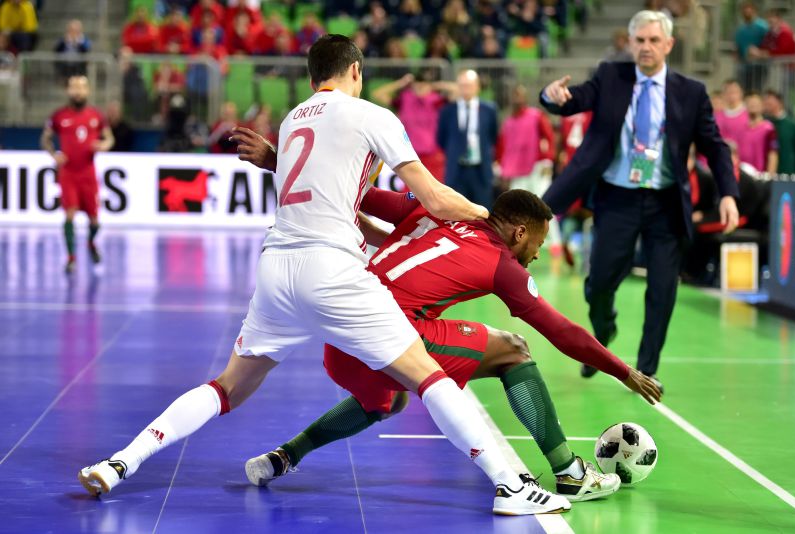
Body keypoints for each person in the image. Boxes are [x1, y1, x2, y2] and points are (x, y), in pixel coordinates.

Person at [78, 34, 559, 517]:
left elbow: (338, 202)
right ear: (356, 70)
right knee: (427, 375)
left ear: (312, 79)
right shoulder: (371, 115)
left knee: (227, 387)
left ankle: (122, 462)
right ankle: (510, 486)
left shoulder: (291, 121)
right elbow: (434, 200)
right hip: (333, 269)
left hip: (276, 270)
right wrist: (485, 216)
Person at [246, 188, 661, 503]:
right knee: (514, 348)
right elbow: (563, 331)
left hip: (339, 344)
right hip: (392, 332)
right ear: (519, 233)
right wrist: (623, 371)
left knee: (387, 402)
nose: (536, 254)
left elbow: (360, 195)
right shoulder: (504, 265)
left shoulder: (434, 210)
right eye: (536, 244)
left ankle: (284, 456)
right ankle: (570, 473)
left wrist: (277, 162)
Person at [539, 10, 739, 390]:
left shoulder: (691, 91)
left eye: (653, 40)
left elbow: (714, 145)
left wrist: (728, 193)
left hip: (665, 204)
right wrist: (553, 97)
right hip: (617, 198)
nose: (646, 47)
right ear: (630, 44)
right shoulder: (611, 76)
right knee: (599, 283)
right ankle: (602, 335)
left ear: (668, 44)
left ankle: (646, 369)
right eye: (640, 41)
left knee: (663, 289)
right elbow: (574, 98)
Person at [40, 75, 114, 274]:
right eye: (74, 87)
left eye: (81, 87)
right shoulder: (58, 116)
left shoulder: (96, 116)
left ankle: (91, 243)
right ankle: (71, 257)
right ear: (68, 90)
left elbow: (109, 138)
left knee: (95, 221)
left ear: (88, 90)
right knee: (69, 214)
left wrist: (103, 145)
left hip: (88, 174)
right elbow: (46, 139)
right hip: (68, 174)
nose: (78, 91)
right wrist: (53, 154)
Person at [372, 71, 455, 182]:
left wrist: (436, 85)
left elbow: (457, 91)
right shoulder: (405, 99)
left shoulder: (436, 100)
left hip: (432, 154)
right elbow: (378, 94)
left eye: (424, 84)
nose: (421, 87)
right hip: (410, 156)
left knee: (435, 191)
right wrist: (400, 83)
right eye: (418, 83)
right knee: (410, 193)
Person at [437, 69, 498, 207]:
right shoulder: (447, 111)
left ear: (477, 87)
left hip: (480, 171)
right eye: (462, 85)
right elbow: (441, 139)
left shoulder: (489, 109)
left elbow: (493, 136)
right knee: (455, 213)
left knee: (483, 214)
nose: (466, 89)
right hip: (456, 171)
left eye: (469, 85)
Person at [738, 92, 777, 174]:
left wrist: (770, 176)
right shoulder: (740, 128)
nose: (753, 106)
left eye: (756, 103)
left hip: (760, 176)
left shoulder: (769, 129)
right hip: (743, 176)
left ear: (762, 106)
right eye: (750, 103)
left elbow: (773, 153)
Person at [764, 90, 795, 175]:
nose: (767, 105)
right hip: (767, 173)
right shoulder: (764, 124)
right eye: (766, 102)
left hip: (787, 173)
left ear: (780, 103)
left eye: (770, 102)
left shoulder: (792, 126)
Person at [733, 1, 768, 91]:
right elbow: (738, 47)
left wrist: (760, 53)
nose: (747, 12)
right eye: (744, 10)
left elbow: (768, 44)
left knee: (756, 90)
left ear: (754, 10)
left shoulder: (762, 26)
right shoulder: (740, 30)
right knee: (744, 90)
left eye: (749, 10)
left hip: (759, 65)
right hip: (744, 66)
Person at [714, 79, 748, 149]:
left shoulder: (749, 114)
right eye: (728, 92)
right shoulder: (716, 116)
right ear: (723, 94)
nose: (731, 95)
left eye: (734, 92)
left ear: (741, 92)